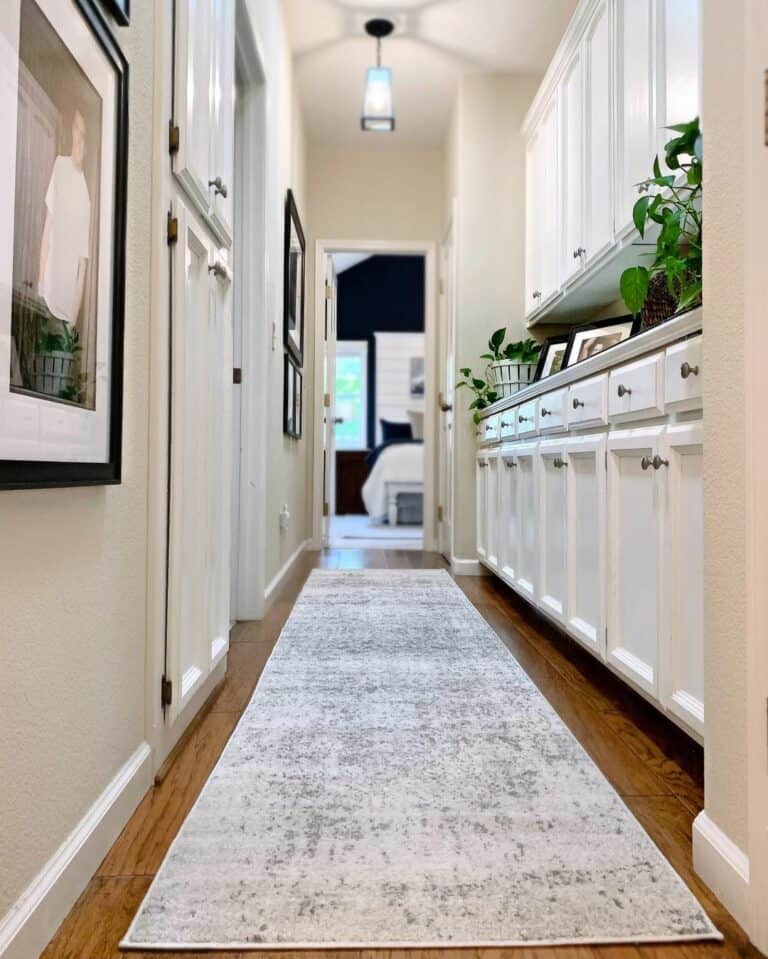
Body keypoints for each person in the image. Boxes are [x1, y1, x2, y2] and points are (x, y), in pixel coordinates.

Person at [37, 108, 91, 331]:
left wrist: (72, 321)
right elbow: (47, 229)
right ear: (71, 132)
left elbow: (83, 263)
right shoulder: (60, 165)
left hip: (65, 314)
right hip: (46, 299)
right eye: (77, 130)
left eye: (84, 134)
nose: (79, 138)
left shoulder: (85, 195)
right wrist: (40, 285)